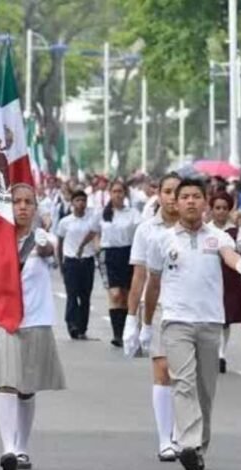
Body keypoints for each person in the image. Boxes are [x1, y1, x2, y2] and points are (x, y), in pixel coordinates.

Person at [144, 178, 241, 470]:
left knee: (205, 390)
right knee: (184, 382)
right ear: (176, 203)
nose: (190, 201)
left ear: (205, 202)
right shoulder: (162, 239)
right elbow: (153, 283)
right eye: (185, 197)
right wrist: (144, 324)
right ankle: (188, 443)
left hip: (210, 320)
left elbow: (229, 255)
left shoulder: (218, 236)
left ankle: (197, 450)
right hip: (176, 321)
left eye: (196, 196)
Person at [0, 184, 66, 470]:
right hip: (4, 320)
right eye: (16, 202)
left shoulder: (44, 238)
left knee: (27, 388)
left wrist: (40, 243)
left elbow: (50, 251)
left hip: (35, 320)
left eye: (27, 202)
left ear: (35, 207)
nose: (22, 207)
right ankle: (8, 449)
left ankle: (21, 447)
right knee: (7, 383)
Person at [122, 172, 181, 462]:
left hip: (188, 309)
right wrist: (131, 320)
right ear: (159, 194)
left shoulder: (197, 229)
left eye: (177, 192)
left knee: (185, 375)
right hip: (157, 307)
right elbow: (139, 276)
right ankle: (164, 439)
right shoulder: (146, 230)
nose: (172, 197)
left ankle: (181, 433)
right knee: (162, 369)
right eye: (167, 191)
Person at [98, 180, 140, 347]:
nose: (117, 195)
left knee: (127, 296)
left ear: (125, 194)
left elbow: (140, 233)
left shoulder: (133, 213)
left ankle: (125, 331)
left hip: (128, 254)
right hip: (110, 255)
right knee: (115, 294)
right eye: (114, 191)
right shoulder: (103, 214)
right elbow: (94, 232)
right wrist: (96, 247)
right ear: (110, 193)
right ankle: (117, 334)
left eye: (120, 191)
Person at [207, 192, 241, 374]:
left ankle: (221, 354)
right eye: (217, 208)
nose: (221, 211)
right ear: (211, 210)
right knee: (211, 318)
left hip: (229, 277)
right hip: (209, 277)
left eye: (224, 208)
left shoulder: (236, 230)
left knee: (226, 318)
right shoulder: (205, 229)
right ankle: (211, 351)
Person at [57, 189, 100, 340]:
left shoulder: (91, 221)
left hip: (87, 262)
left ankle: (82, 328)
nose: (81, 203)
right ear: (72, 203)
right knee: (72, 295)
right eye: (77, 200)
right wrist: (61, 263)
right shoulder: (65, 222)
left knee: (85, 297)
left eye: (83, 200)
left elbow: (96, 236)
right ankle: (72, 324)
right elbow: (60, 244)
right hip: (71, 262)